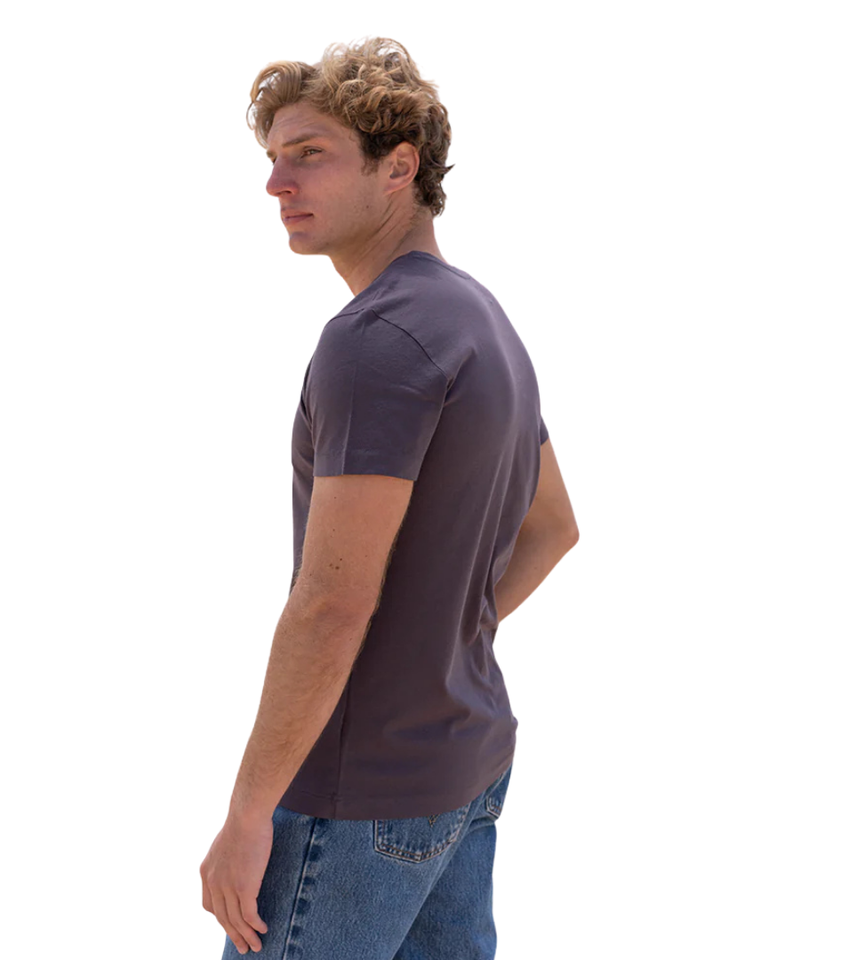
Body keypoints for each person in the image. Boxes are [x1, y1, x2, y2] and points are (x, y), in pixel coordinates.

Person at [200, 36, 579, 958]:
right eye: (274, 158)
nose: (277, 183)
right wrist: (436, 642)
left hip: (354, 799)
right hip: (463, 767)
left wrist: (247, 817)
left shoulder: (375, 339)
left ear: (398, 167)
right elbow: (555, 528)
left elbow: (331, 604)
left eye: (310, 154)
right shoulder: (482, 320)